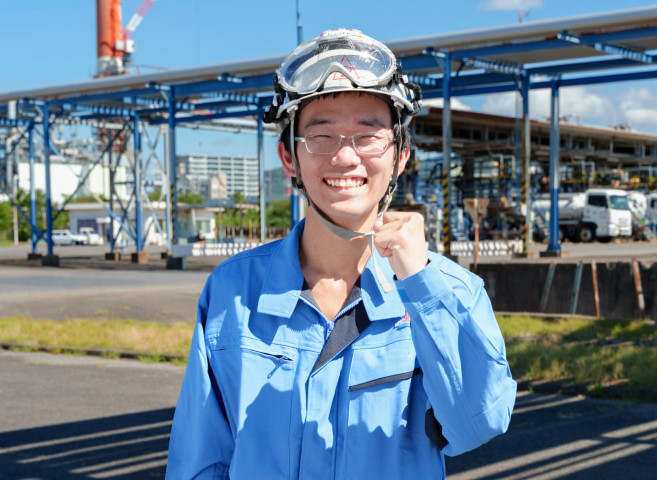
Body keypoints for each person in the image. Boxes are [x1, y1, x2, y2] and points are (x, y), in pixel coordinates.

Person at [165, 29, 517, 480]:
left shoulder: (450, 291)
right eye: (321, 136)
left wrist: (420, 284)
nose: (345, 157)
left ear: (400, 155)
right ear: (289, 159)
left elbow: (478, 424)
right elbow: (199, 459)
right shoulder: (234, 292)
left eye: (368, 136)